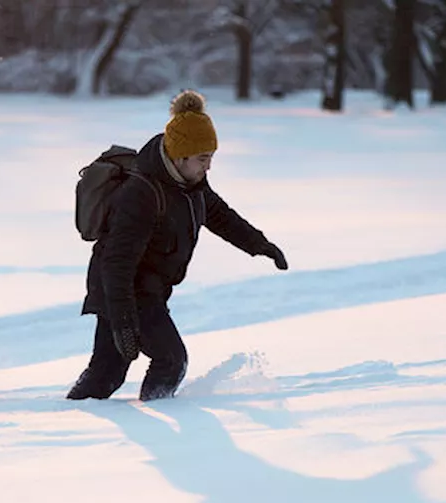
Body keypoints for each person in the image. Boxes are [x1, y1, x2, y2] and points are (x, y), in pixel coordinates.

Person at [67, 89, 289, 402]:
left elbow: (219, 215)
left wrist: (260, 244)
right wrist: (124, 321)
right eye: (202, 159)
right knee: (171, 360)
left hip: (146, 290)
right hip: (124, 291)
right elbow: (116, 263)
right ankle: (162, 426)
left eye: (211, 158)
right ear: (180, 156)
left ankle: (77, 417)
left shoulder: (190, 185)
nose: (208, 167)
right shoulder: (141, 193)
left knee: (106, 373)